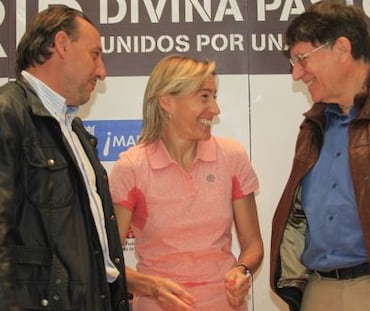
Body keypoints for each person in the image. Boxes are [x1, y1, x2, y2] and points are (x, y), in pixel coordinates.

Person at [270, 1, 370, 311]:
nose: (296, 74)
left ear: (342, 48)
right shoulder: (313, 126)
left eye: (302, 59)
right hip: (319, 291)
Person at [0, 6, 130, 311]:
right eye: (95, 54)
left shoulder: (75, 130)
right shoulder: (3, 114)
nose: (102, 71)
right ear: (62, 44)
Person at [109, 54, 264, 311]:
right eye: (204, 96)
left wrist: (241, 270)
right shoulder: (132, 168)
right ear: (167, 102)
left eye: (214, 97)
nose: (215, 109)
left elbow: (253, 245)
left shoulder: (232, 157)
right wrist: (152, 287)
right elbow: (107, 261)